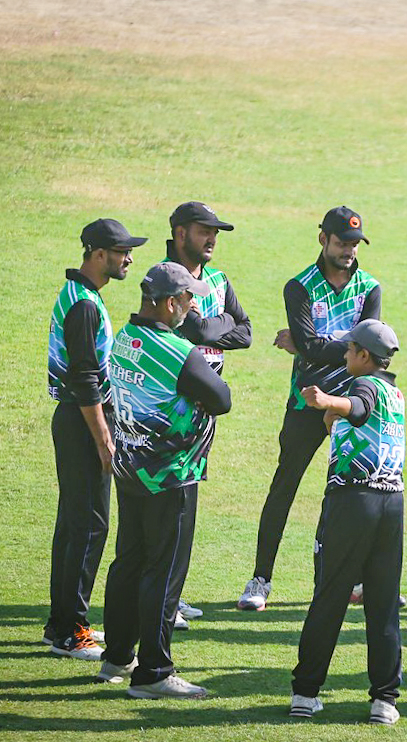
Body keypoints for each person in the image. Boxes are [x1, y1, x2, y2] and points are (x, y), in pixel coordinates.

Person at [97, 262, 232, 698]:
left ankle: (117, 656)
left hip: (129, 467)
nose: (193, 307)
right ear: (171, 303)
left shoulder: (124, 338)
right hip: (170, 475)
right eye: (189, 299)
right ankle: (153, 672)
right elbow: (222, 398)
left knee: (127, 562)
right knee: (164, 570)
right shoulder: (177, 351)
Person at [237, 206, 381, 611]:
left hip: (351, 403)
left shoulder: (370, 288)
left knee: (355, 491)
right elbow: (345, 348)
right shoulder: (299, 287)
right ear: (323, 239)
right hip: (306, 402)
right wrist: (331, 345)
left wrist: (308, 344)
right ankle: (260, 580)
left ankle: (354, 580)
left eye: (354, 244)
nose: (349, 250)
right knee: (283, 488)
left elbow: (367, 351)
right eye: (342, 242)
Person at [290, 319, 405, 725]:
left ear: (364, 355)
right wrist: (333, 416)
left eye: (349, 349)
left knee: (330, 596)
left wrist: (326, 401)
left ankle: (305, 693)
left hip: (353, 503)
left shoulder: (364, 385)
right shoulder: (396, 393)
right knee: (383, 604)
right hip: (392, 506)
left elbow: (357, 408)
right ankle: (384, 701)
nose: (344, 354)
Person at [45, 218, 146, 660]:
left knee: (73, 525)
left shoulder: (79, 295)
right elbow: (85, 377)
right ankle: (72, 632)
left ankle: (61, 623)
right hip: (84, 421)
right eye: (122, 252)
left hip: (74, 420)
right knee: (89, 526)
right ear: (98, 254)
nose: (129, 259)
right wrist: (104, 436)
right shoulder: (85, 306)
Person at [165, 201, 252, 626]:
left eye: (215, 232)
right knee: (171, 504)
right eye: (205, 231)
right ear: (181, 233)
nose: (212, 238)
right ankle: (164, 600)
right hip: (174, 406)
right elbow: (195, 329)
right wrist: (220, 324)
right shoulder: (167, 276)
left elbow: (246, 331)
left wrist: (211, 325)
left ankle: (172, 595)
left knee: (187, 502)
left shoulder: (217, 279)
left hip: (204, 410)